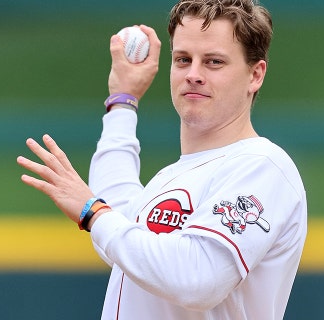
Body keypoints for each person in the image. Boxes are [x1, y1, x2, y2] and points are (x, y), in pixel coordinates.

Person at [16, 0, 308, 319]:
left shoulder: (262, 166)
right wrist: (122, 102)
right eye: (183, 59)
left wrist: (92, 211)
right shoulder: (173, 176)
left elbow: (197, 280)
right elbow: (118, 228)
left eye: (213, 62)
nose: (193, 74)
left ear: (255, 75)